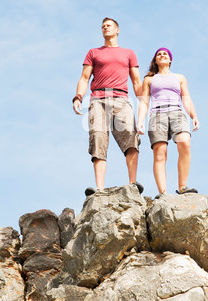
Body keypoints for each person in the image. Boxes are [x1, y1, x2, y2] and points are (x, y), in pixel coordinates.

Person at [73, 17, 143, 196]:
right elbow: (84, 78)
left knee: (131, 137)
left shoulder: (128, 53)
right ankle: (99, 189)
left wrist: (144, 100)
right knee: (98, 139)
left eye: (109, 25)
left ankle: (133, 184)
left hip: (121, 98)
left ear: (117, 30)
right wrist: (78, 97)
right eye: (103, 26)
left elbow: (136, 81)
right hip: (98, 99)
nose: (105, 28)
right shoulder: (93, 52)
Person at [137, 48, 200, 198]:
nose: (162, 55)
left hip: (177, 113)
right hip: (157, 115)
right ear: (156, 60)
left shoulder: (179, 77)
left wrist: (194, 116)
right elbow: (144, 102)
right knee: (160, 153)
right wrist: (140, 120)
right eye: (159, 54)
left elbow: (186, 98)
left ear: (170, 60)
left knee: (185, 142)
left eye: (165, 54)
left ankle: (183, 186)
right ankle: (163, 193)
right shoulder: (149, 79)